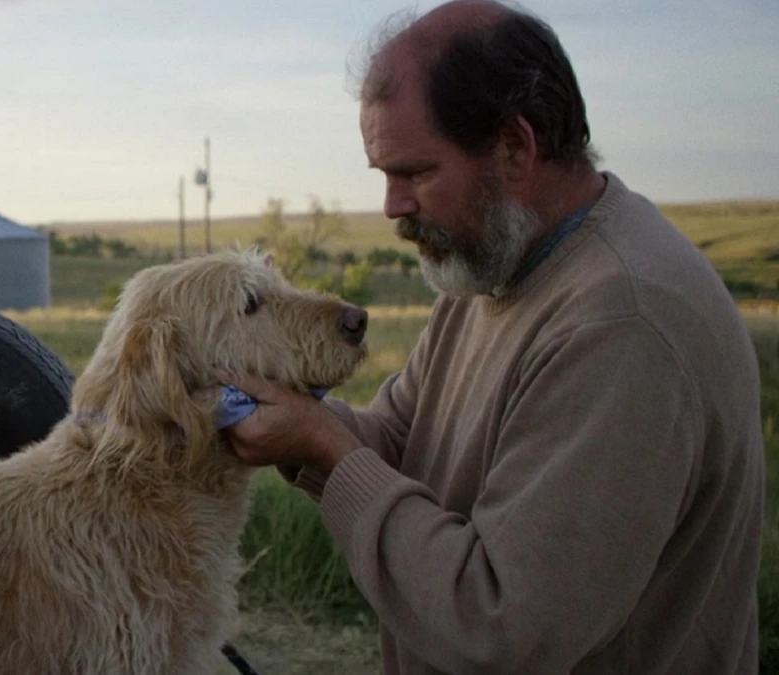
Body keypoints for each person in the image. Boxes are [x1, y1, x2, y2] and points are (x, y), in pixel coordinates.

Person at [220, 1, 765, 673]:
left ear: (514, 147)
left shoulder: (623, 324)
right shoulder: (492, 267)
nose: (392, 205)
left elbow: (501, 624)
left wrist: (325, 448)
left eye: (414, 172)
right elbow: (397, 441)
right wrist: (293, 419)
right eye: (384, 175)